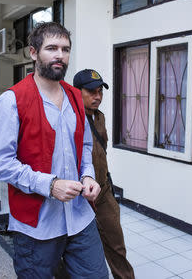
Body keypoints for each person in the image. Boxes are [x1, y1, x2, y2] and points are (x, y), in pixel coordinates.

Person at [0, 22, 108, 278]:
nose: (60, 55)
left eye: (65, 49)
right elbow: (1, 164)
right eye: (51, 48)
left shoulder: (76, 96)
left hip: (79, 217)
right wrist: (50, 184)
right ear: (33, 53)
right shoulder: (11, 101)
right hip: (37, 224)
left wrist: (87, 175)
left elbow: (85, 146)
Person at [73, 69, 135, 279]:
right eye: (91, 92)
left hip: (104, 191)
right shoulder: (69, 119)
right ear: (77, 91)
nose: (97, 96)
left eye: (100, 91)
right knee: (73, 252)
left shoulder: (100, 118)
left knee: (116, 245)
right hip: (78, 196)